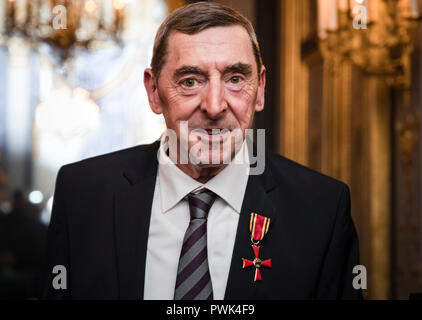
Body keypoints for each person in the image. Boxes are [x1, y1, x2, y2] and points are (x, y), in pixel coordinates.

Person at [42, 2, 362, 300]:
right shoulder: (82, 194)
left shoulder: (322, 210)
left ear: (260, 90)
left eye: (235, 78)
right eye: (190, 81)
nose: (214, 106)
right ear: (154, 92)